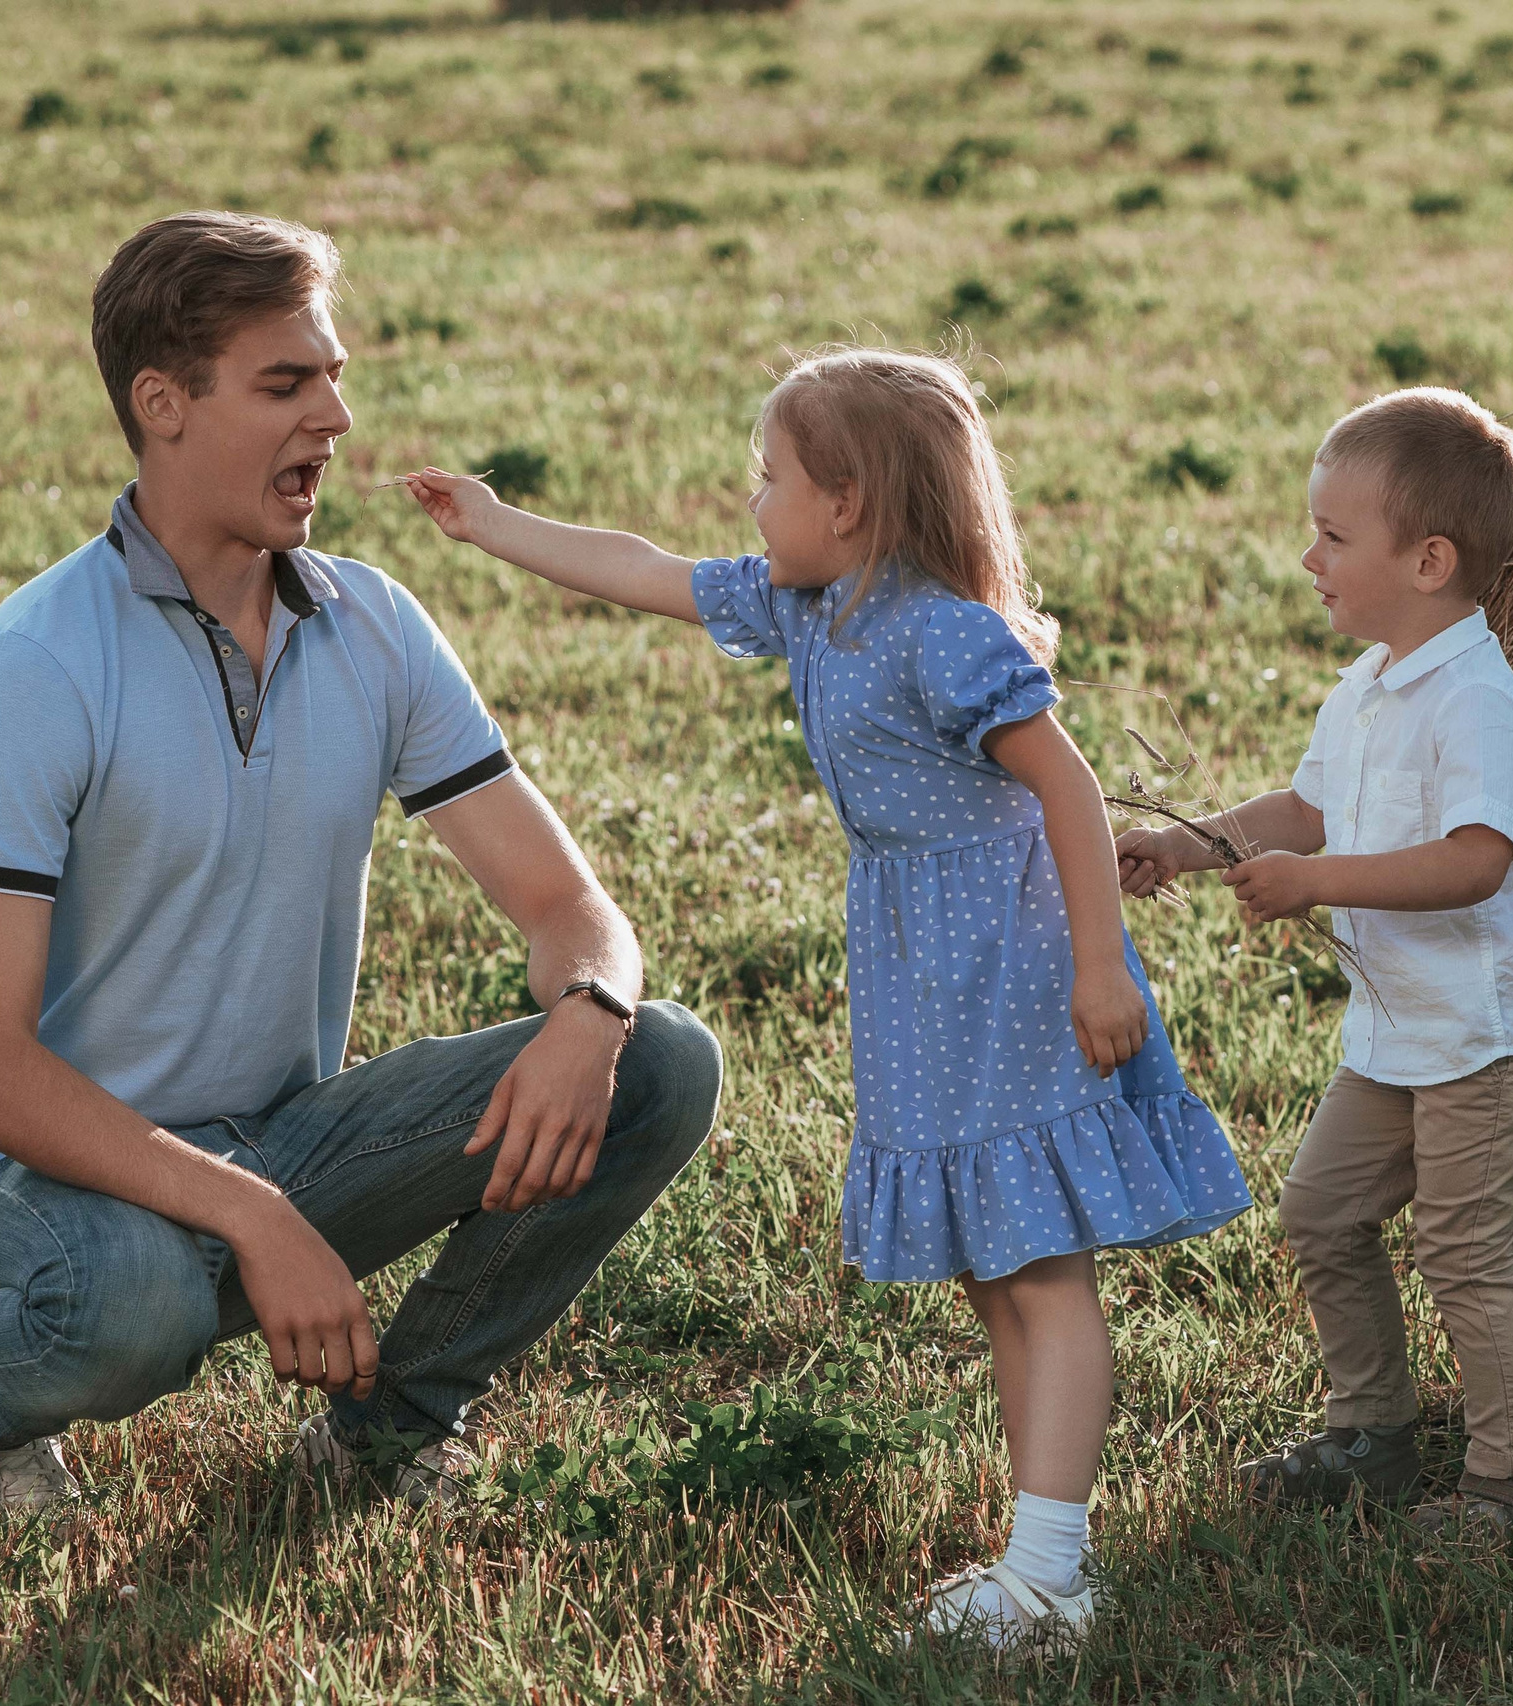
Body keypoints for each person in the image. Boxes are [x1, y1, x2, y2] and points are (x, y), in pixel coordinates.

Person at [402, 345, 1251, 1648]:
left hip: (1010, 962)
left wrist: (1095, 964)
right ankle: (1040, 1552)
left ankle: (1052, 1570)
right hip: (920, 962)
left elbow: (1070, 791)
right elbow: (643, 567)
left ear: (846, 501)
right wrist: (496, 522)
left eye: (769, 477)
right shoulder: (815, 604)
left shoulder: (944, 634)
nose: (751, 502)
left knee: (1041, 1263)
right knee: (993, 1260)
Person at [0, 210, 720, 1522]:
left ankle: (386, 1434)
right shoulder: (37, 662)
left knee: (661, 1059)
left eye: (333, 376)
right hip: (48, 1179)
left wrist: (590, 1009)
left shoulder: (375, 625)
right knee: (135, 1303)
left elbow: (567, 904)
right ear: (161, 404)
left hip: (281, 1140)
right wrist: (256, 1218)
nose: (334, 418)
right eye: (288, 383)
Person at [1116, 387, 1513, 1546]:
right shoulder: (1371, 683)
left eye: (1332, 535)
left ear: (1428, 559)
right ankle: (1371, 1433)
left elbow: (1478, 858)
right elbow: (1305, 805)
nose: (1308, 556)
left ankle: (1507, 1488)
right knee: (1320, 1210)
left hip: (1487, 1028)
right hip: (1400, 1027)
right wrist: (1191, 841)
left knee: (1463, 1250)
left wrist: (1315, 883)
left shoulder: (1475, 700)